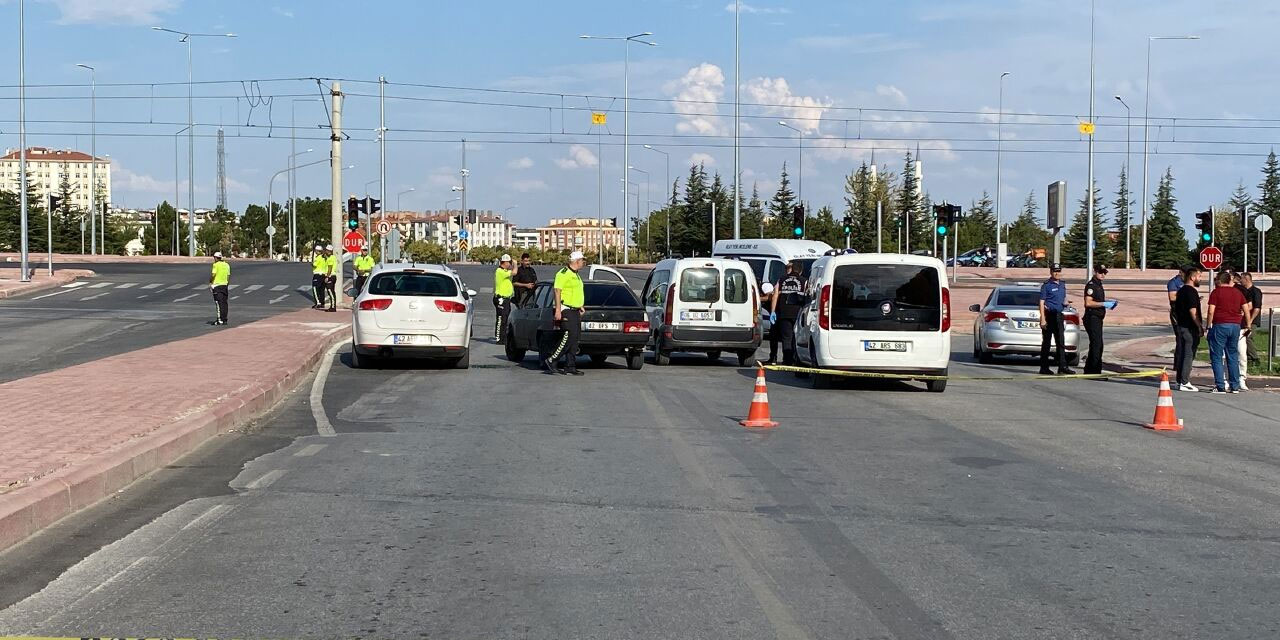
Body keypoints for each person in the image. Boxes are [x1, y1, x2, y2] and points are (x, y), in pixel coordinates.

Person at [1206, 270, 1251, 393]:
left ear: (1220, 281)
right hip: (1235, 326)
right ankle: (1235, 386)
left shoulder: (1216, 293)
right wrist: (1248, 324)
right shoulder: (1238, 293)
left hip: (1220, 325)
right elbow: (1246, 309)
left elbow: (1211, 310)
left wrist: (1208, 325)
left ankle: (1220, 385)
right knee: (1232, 356)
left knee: (1217, 356)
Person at [542, 251, 586, 375]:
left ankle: (570, 365)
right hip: (566, 310)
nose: (583, 262)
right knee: (568, 337)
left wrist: (580, 305)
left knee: (575, 339)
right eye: (582, 260)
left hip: (575, 309)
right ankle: (552, 359)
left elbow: (574, 291)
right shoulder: (563, 273)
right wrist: (557, 310)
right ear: (576, 261)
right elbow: (557, 291)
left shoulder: (576, 274)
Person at [1038, 263, 1074, 375]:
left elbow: (1063, 298)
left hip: (1059, 315)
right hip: (1049, 315)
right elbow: (1041, 302)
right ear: (1051, 272)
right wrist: (1042, 318)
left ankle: (1062, 366)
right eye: (1054, 271)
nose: (1057, 273)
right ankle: (1044, 367)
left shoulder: (1062, 284)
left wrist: (1066, 303)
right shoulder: (1046, 285)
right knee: (1047, 342)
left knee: (1061, 341)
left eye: (1058, 271)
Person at [1172, 267, 1204, 392]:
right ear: (1192, 277)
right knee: (1188, 354)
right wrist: (1199, 325)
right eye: (1199, 276)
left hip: (1181, 325)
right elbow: (1193, 311)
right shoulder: (1191, 291)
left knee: (1183, 353)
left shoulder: (1181, 291)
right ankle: (1185, 382)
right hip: (1189, 327)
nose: (1200, 279)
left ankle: (1179, 380)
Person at [770, 261, 807, 366]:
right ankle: (797, 359)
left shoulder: (781, 280)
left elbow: (775, 295)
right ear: (801, 271)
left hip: (784, 312)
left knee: (787, 337)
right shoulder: (804, 281)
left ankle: (787, 360)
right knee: (797, 337)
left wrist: (773, 311)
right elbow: (808, 296)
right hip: (798, 313)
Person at [1080, 264, 1115, 374]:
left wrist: (1108, 304)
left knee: (1097, 344)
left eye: (1104, 272)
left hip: (1098, 318)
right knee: (1097, 345)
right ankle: (1095, 371)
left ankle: (1089, 370)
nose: (1103, 274)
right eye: (1100, 272)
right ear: (1095, 272)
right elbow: (1088, 303)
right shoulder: (1091, 285)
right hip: (1092, 317)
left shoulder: (1099, 285)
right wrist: (1103, 304)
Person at [493, 254, 516, 344]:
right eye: (509, 262)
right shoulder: (500, 271)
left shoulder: (504, 271)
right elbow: (514, 272)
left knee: (505, 318)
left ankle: (503, 337)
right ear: (505, 262)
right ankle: (499, 338)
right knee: (501, 318)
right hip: (500, 298)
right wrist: (515, 264)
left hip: (506, 298)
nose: (510, 264)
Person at [1243, 272, 1263, 366]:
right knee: (1243, 338)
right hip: (1243, 319)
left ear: (1246, 280)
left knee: (1248, 337)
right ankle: (1248, 358)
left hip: (1252, 319)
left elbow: (1257, 308)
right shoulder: (1243, 291)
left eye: (1241, 279)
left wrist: (1250, 321)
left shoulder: (1255, 291)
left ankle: (1255, 358)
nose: (1240, 281)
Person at [209, 251, 230, 326]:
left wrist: (210, 281)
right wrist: (226, 283)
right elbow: (228, 276)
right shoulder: (227, 265)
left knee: (218, 303)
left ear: (215, 258)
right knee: (224, 303)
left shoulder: (215, 265)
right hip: (224, 285)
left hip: (217, 285)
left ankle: (219, 319)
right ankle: (224, 319)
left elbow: (213, 274)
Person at [759, 282, 778, 364]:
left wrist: (757, 298)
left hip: (778, 316)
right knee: (773, 338)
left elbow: (769, 296)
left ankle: (775, 358)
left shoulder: (765, 287)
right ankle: (773, 357)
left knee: (775, 337)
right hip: (776, 316)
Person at [1166, 267, 1185, 332]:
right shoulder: (1174, 282)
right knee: (1180, 334)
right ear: (1181, 273)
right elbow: (1172, 297)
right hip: (1177, 311)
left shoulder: (1188, 281)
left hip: (1188, 311)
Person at [311, 244, 327, 309]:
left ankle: (318, 303)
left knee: (315, 289)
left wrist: (312, 263)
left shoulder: (318, 258)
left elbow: (314, 265)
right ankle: (322, 302)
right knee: (321, 290)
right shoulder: (325, 258)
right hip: (323, 275)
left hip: (317, 274)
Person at [323, 244, 338, 312]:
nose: (327, 252)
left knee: (330, 291)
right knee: (331, 291)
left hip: (331, 276)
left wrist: (327, 276)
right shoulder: (329, 258)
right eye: (327, 250)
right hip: (331, 276)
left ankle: (333, 307)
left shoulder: (331, 258)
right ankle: (332, 306)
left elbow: (330, 268)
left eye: (329, 251)